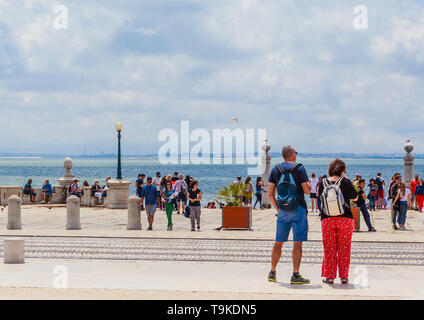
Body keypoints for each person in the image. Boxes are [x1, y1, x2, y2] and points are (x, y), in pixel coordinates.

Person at [267, 145, 311, 285]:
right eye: (296, 153)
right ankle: (295, 275)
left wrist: (278, 209)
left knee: (278, 242)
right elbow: (307, 191)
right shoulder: (300, 168)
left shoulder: (276, 169)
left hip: (283, 211)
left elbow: (270, 193)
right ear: (292, 154)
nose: (296, 155)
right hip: (298, 209)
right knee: (297, 243)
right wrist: (309, 185)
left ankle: (272, 272)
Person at [317, 159, 358, 284]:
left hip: (327, 219)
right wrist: (345, 179)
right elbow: (355, 197)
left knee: (329, 249)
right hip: (345, 219)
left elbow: (320, 198)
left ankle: (330, 276)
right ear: (342, 170)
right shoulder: (345, 181)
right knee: (344, 248)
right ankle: (344, 276)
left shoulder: (322, 182)